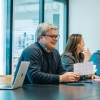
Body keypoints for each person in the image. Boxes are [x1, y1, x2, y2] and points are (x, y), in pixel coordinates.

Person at [14, 23, 80, 84]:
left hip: (45, 92)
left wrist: (72, 76)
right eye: (52, 36)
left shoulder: (55, 52)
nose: (56, 39)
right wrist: (61, 78)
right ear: (41, 37)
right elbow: (34, 77)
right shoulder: (31, 51)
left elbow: (60, 72)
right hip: (26, 94)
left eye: (56, 36)